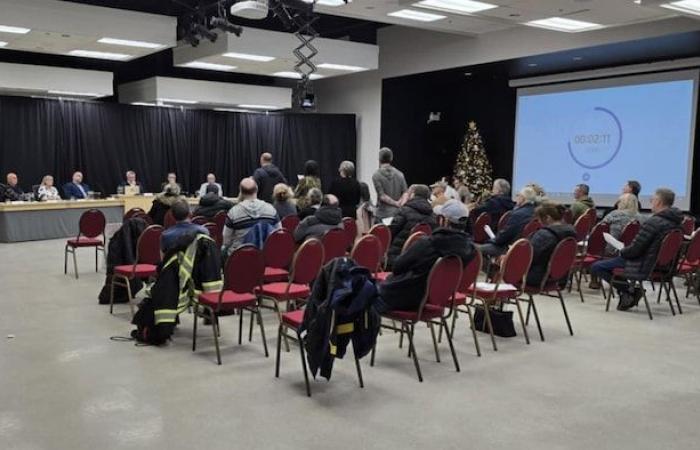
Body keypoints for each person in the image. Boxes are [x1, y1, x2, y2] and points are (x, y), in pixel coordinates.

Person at [590, 188, 683, 310]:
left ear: (659, 202)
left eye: (652, 199)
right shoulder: (677, 223)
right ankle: (627, 292)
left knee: (597, 266)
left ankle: (629, 291)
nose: (651, 202)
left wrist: (622, 250)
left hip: (644, 263)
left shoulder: (654, 222)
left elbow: (635, 250)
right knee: (612, 263)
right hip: (663, 264)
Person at [377, 227, 476, 313]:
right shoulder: (470, 250)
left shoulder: (427, 243)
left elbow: (397, 267)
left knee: (367, 295)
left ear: (444, 219)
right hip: (437, 297)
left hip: (406, 296)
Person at [222, 177, 280, 254]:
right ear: (257, 189)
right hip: (266, 257)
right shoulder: (271, 210)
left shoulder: (233, 212)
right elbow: (278, 233)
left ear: (241, 192)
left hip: (239, 258)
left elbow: (226, 241)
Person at [525, 202, 577, 287]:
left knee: (502, 267)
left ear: (548, 218)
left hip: (538, 277)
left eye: (539, 219)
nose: (539, 222)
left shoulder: (544, 235)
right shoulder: (571, 233)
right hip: (561, 277)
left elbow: (529, 256)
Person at [477, 186, 537, 258]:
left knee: (476, 249)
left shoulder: (517, 214)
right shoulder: (537, 213)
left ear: (522, 198)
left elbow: (505, 236)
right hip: (528, 250)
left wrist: (491, 240)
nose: (516, 197)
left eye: (518, 195)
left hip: (509, 248)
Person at [387, 184, 436, 267]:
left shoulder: (404, 210)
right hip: (421, 256)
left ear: (413, 194)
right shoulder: (432, 215)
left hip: (399, 255)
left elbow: (392, 231)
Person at [372, 147, 407, 222]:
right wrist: (399, 204)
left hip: (382, 214)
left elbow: (382, 196)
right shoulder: (400, 174)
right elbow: (405, 193)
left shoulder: (376, 175)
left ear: (379, 158)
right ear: (391, 158)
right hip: (397, 214)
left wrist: (395, 203)